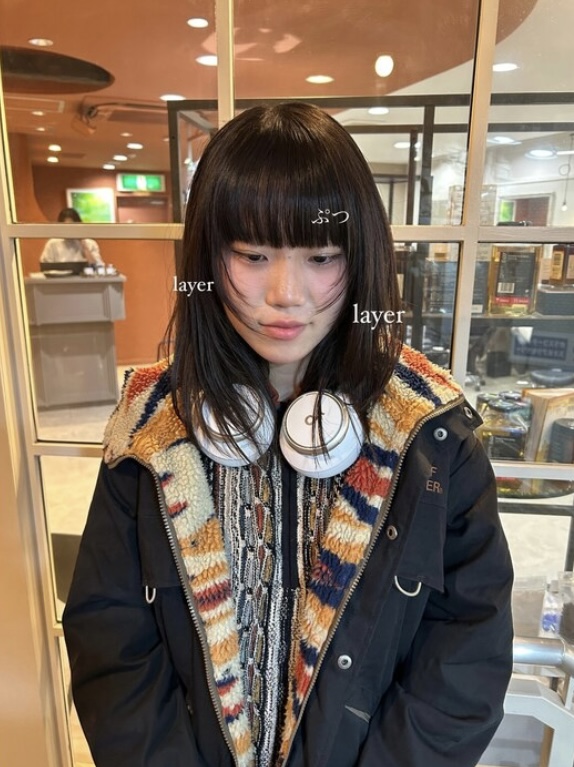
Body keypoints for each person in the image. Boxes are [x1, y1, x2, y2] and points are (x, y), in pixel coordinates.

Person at [63, 102, 514, 767]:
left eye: (321, 256)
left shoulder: (430, 431)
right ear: (208, 258)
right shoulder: (150, 425)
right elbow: (111, 646)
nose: (286, 294)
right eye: (252, 253)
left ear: (358, 259)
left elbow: (466, 656)